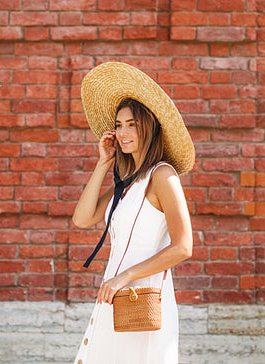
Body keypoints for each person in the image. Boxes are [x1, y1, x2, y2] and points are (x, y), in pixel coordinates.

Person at [72, 62, 195, 364]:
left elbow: (184, 246)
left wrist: (124, 276)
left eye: (132, 124)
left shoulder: (162, 176)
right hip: (114, 297)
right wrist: (103, 164)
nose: (123, 132)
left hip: (143, 301)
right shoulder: (127, 184)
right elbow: (82, 219)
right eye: (119, 124)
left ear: (149, 126)